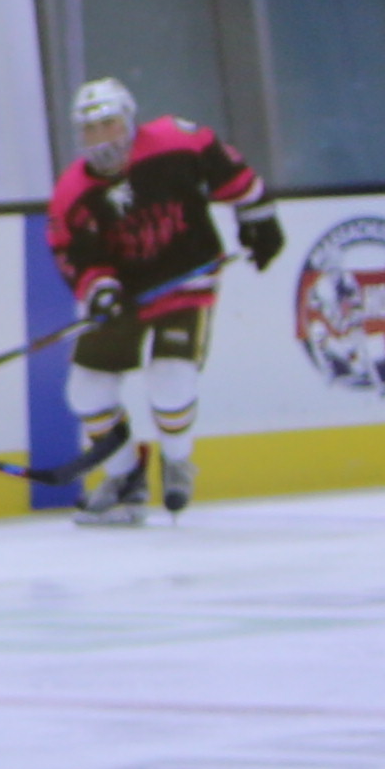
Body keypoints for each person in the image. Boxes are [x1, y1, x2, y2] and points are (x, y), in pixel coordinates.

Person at [49, 78, 277, 524]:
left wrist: (259, 218)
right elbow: (74, 256)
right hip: (125, 294)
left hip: (184, 280)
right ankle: (125, 479)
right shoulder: (72, 193)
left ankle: (177, 460)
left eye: (109, 124)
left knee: (170, 377)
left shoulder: (176, 142)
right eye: (90, 129)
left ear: (130, 120)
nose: (101, 138)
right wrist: (101, 289)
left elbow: (229, 172)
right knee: (86, 390)